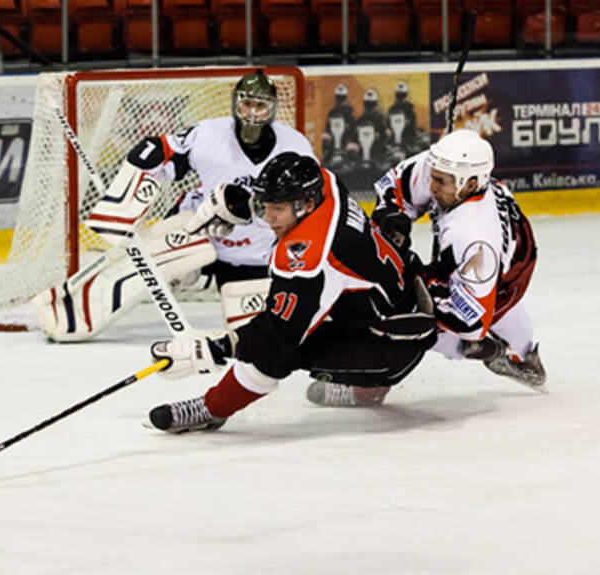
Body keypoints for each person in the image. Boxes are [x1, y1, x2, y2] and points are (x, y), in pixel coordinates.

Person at [146, 152, 437, 433]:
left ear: (306, 204)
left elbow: (277, 336)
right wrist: (240, 204)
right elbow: (283, 192)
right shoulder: (326, 183)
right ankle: (368, 384)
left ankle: (211, 410)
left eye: (277, 209)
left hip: (391, 348)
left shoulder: (310, 255)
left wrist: (211, 349)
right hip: (405, 302)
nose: (269, 218)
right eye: (265, 206)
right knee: (326, 311)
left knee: (279, 353)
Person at [37, 70, 316, 341]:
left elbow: (311, 199)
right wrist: (124, 205)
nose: (252, 113)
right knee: (172, 249)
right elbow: (156, 151)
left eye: (260, 105)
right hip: (199, 230)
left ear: (274, 108)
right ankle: (75, 311)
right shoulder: (209, 135)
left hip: (257, 254)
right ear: (235, 103)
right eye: (246, 104)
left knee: (257, 340)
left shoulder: (295, 145)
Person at [315, 129, 545, 407]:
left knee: (407, 320)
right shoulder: (448, 170)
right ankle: (526, 355)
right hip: (499, 255)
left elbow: (470, 319)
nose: (432, 185)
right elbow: (398, 186)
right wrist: (391, 216)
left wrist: (422, 293)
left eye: (440, 181)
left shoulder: (473, 236)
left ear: (470, 184)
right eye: (433, 175)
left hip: (507, 274)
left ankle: (370, 388)